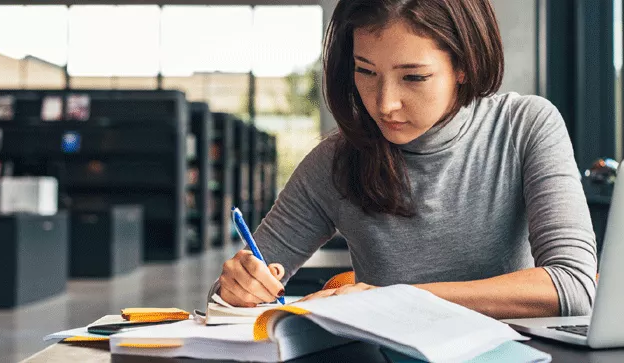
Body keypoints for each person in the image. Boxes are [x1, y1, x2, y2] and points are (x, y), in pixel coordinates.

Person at [216, 0, 597, 319]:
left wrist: (391, 300)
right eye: (365, 71)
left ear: (463, 65)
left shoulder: (525, 126)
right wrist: (237, 289)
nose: (384, 104)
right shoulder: (333, 162)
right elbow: (225, 301)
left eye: (413, 77)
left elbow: (573, 286)